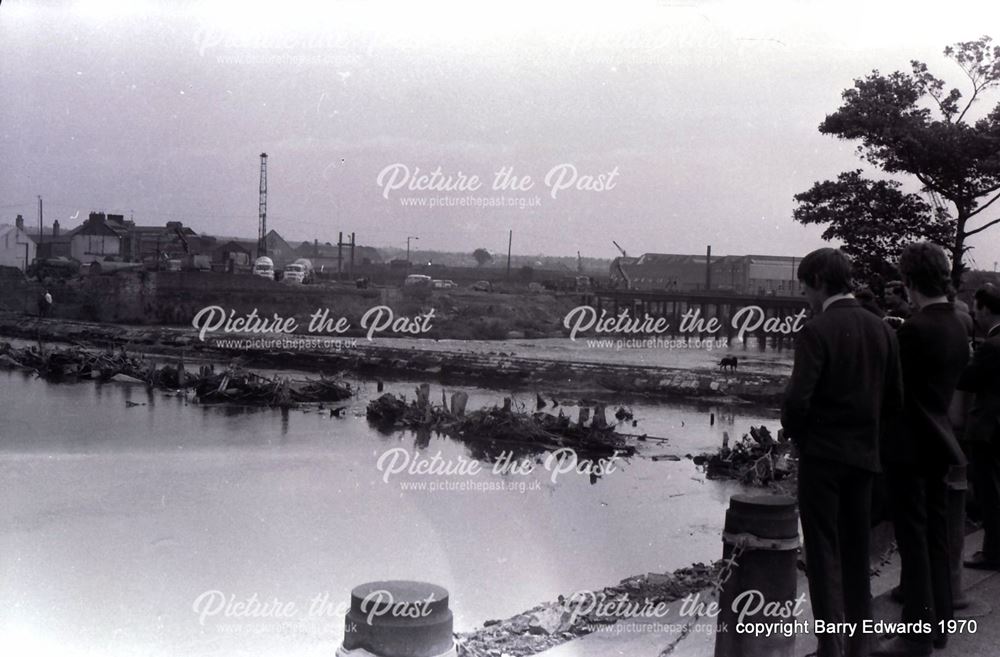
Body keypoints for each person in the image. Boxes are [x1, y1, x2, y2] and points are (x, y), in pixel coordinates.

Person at [782, 248, 903, 657]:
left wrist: (802, 439)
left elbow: (797, 402)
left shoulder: (816, 331)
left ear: (818, 281)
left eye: (804, 286)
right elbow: (895, 401)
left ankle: (830, 646)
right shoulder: (882, 329)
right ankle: (860, 643)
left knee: (821, 552)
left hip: (822, 458)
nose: (804, 295)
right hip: (864, 458)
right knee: (857, 551)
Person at [873, 243, 970, 656]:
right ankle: (939, 625)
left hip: (909, 445)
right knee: (935, 535)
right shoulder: (957, 324)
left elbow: (891, 393)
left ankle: (914, 635)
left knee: (912, 539)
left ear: (911, 281)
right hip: (938, 440)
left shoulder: (914, 329)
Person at [958, 284, 1000, 570]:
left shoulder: (991, 346)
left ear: (985, 309)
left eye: (976, 309)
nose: (974, 315)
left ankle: (992, 552)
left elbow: (968, 381)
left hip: (989, 427)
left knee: (990, 493)